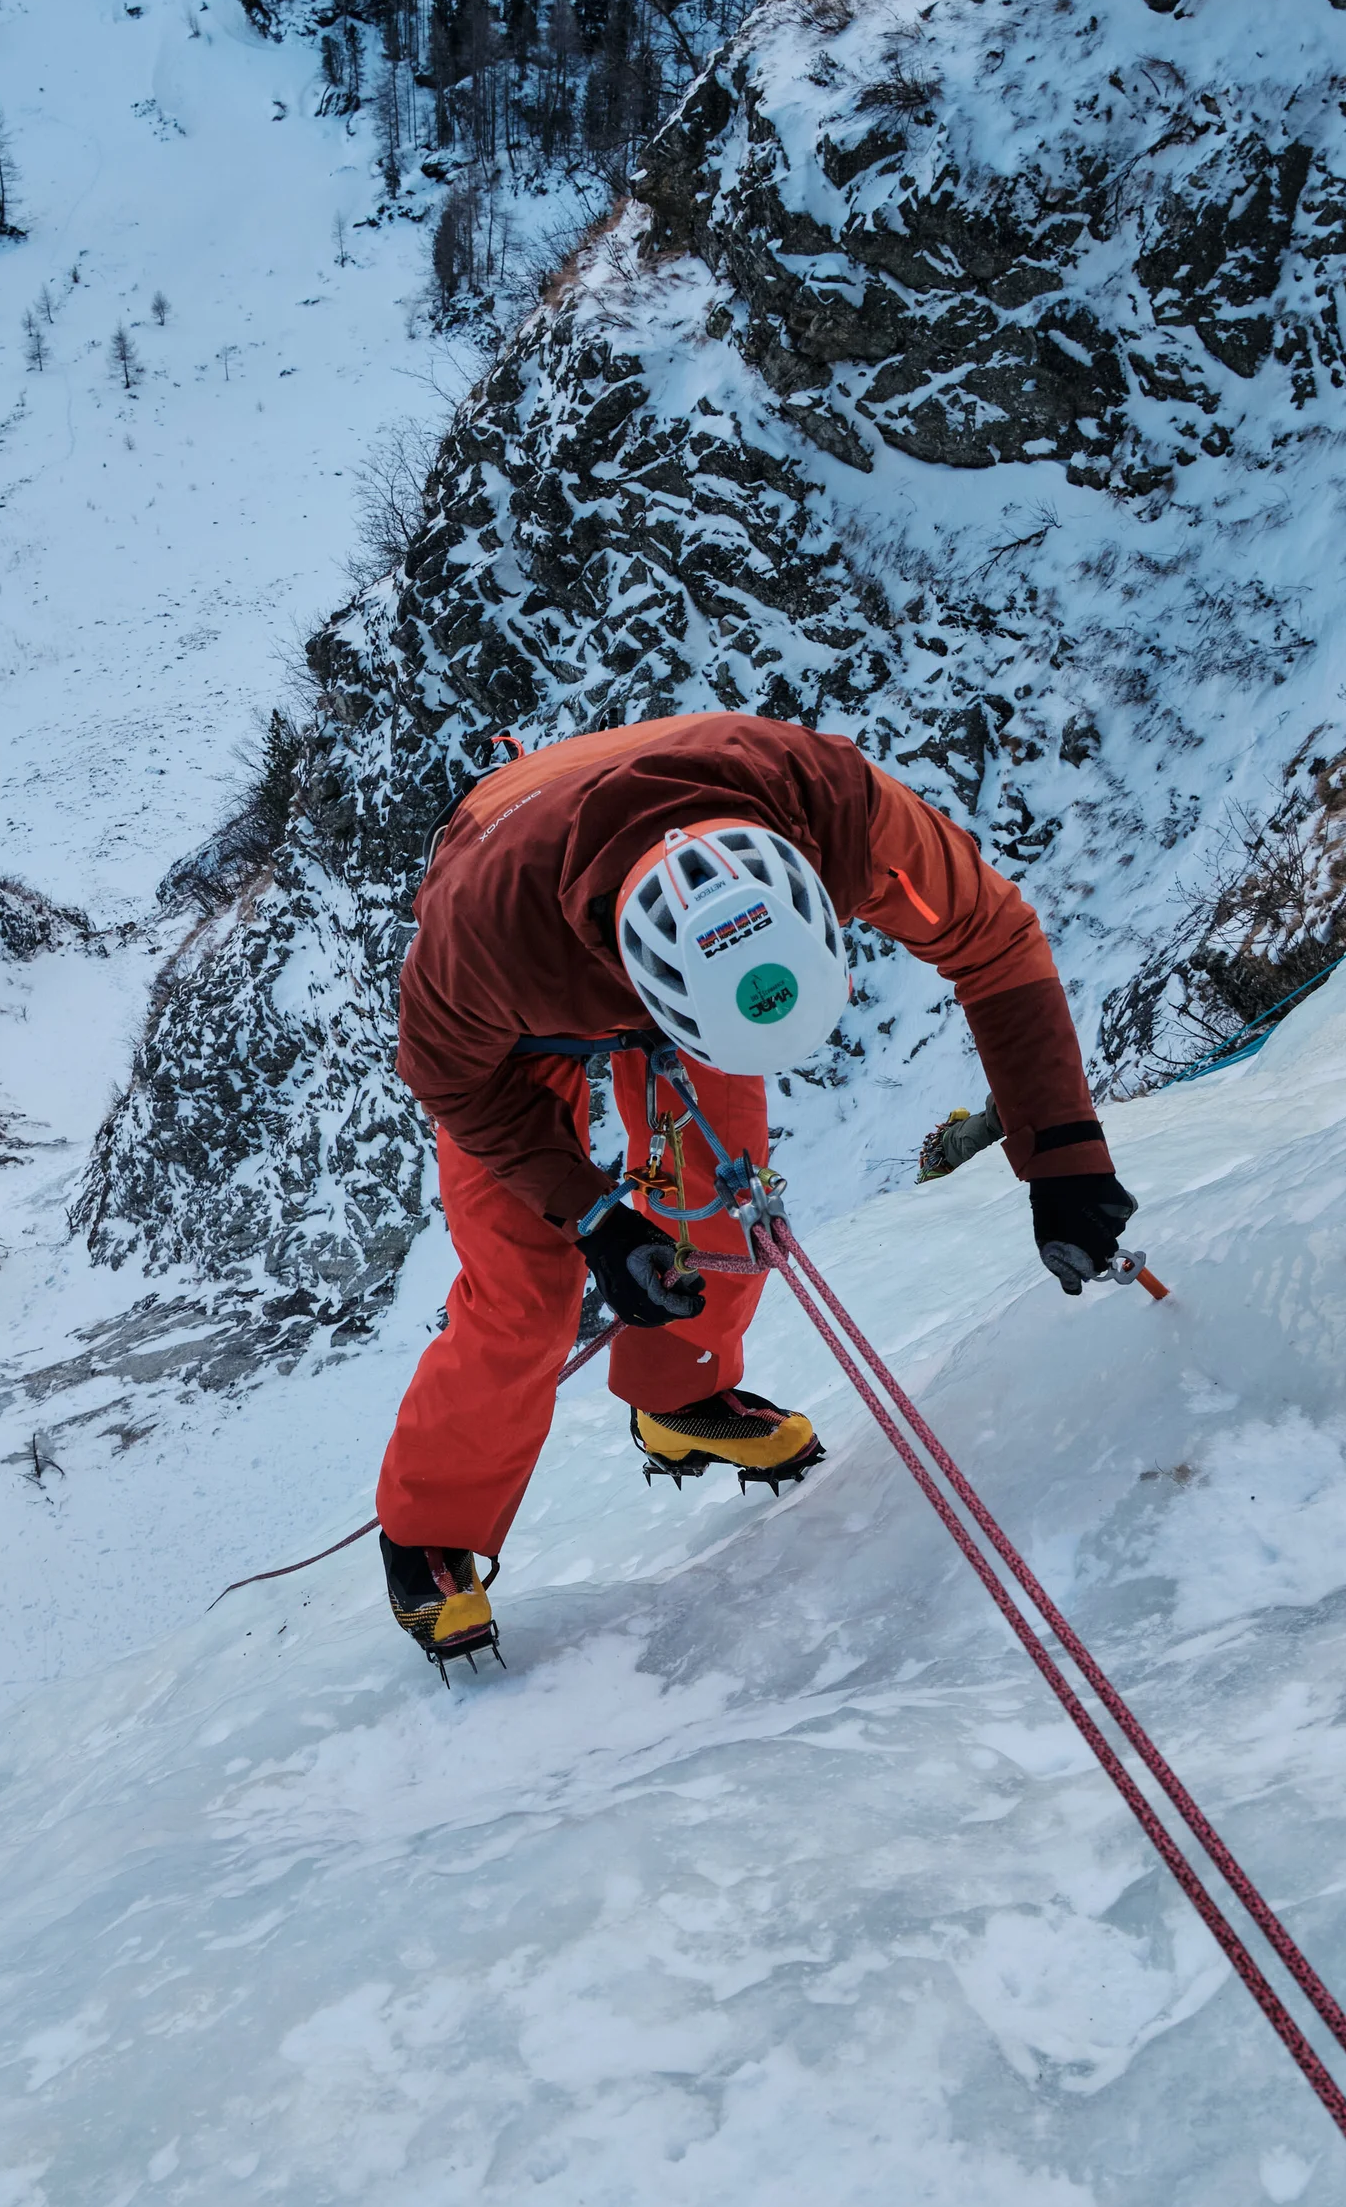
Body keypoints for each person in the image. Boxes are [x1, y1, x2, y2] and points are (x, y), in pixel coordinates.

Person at [377, 711, 1136, 1666]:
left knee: (727, 1198)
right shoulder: (486, 941)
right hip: (519, 958)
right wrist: (597, 1218)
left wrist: (1065, 1157)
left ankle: (678, 1389)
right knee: (524, 1290)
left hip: (673, 913)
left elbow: (991, 936)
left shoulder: (840, 810)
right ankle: (427, 1527)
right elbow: (453, 1084)